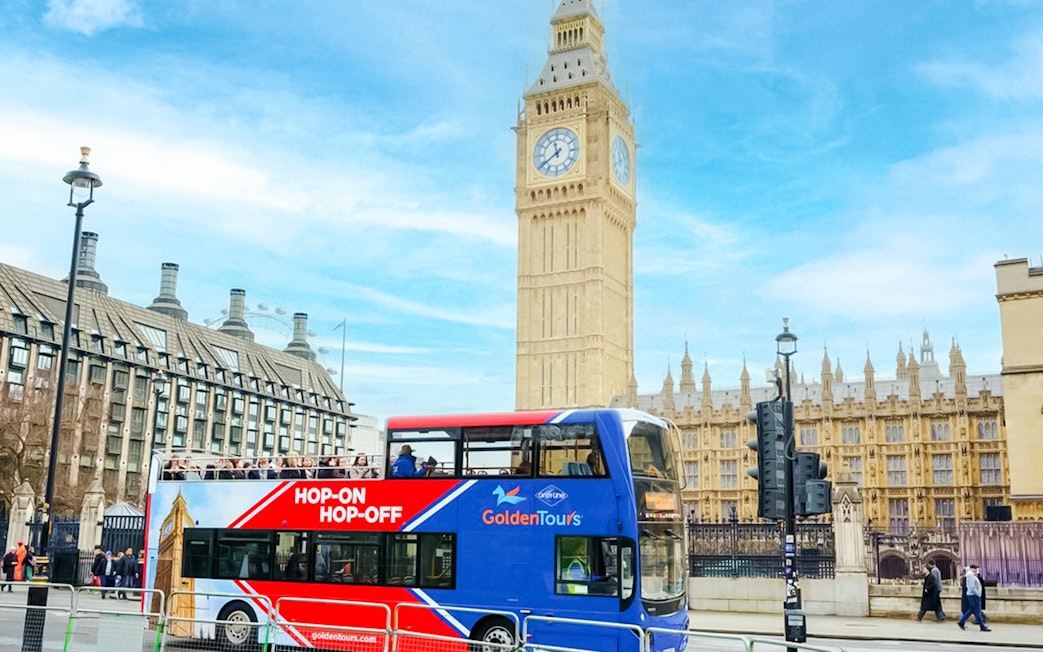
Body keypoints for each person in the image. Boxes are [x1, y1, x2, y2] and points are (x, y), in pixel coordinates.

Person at [957, 563, 991, 631]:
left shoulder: (971, 575)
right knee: (976, 611)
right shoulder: (971, 576)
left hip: (973, 595)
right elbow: (972, 587)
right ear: (971, 569)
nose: (976, 570)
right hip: (974, 595)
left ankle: (962, 622)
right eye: (975, 568)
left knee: (974, 610)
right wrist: (978, 593)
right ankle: (982, 626)